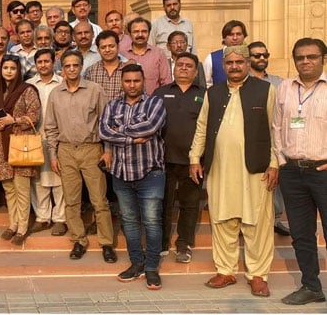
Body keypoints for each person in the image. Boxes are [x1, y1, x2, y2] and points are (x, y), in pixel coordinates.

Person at [189, 44, 277, 297]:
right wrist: (195, 157)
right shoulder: (213, 92)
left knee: (256, 222)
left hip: (256, 168)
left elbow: (275, 130)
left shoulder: (265, 90)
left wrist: (274, 163)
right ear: (224, 66)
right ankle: (226, 270)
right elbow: (202, 126)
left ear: (248, 63)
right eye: (230, 63)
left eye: (240, 62)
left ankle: (258, 275)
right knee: (222, 219)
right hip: (220, 167)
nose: (235, 66)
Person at [44, 50, 116, 263]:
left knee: (99, 200)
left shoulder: (95, 90)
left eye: (76, 65)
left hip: (91, 149)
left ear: (81, 66)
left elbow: (106, 122)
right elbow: (50, 127)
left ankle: (106, 243)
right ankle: (78, 239)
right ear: (62, 68)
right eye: (68, 66)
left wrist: (108, 150)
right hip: (66, 151)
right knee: (72, 200)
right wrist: (53, 155)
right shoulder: (56, 94)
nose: (72, 69)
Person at [100, 63, 167, 290]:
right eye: (127, 81)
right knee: (128, 222)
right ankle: (136, 263)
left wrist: (120, 132)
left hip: (150, 172)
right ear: (122, 82)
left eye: (136, 81)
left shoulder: (155, 103)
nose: (132, 85)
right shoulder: (111, 105)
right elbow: (103, 131)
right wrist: (131, 138)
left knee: (151, 222)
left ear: (143, 81)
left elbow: (150, 126)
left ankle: (151, 268)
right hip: (121, 173)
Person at [273, 38, 327, 305]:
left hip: (324, 171)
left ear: (322, 59)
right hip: (293, 173)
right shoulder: (284, 87)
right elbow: (276, 126)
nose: (306, 61)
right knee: (302, 234)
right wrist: (282, 160)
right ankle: (311, 286)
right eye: (300, 57)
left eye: (312, 56)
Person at [152, 53, 205, 263]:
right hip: (162, 161)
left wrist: (202, 159)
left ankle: (184, 245)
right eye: (180, 64)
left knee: (189, 205)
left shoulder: (204, 95)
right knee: (162, 203)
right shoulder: (160, 93)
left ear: (195, 71)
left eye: (189, 66)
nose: (183, 68)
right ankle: (162, 243)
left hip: (193, 163)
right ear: (174, 68)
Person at [0, 55, 41, 245]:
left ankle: (22, 227)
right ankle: (12, 224)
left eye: (13, 68)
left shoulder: (27, 90)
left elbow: (34, 116)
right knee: (8, 188)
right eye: (6, 68)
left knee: (21, 187)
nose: (9, 71)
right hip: (1, 145)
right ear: (1, 70)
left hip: (21, 144)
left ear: (18, 71)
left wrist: (15, 120)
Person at [247, 41, 289, 236]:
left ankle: (276, 218)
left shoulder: (279, 82)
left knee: (275, 178)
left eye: (265, 55)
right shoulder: (243, 82)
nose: (262, 58)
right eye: (257, 55)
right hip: (250, 139)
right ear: (248, 59)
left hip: (275, 136)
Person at [26, 49, 67, 236]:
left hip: (59, 137)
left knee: (59, 179)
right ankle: (42, 217)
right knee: (38, 180)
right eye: (39, 62)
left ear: (53, 62)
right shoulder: (28, 85)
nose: (43, 65)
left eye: (47, 61)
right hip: (35, 137)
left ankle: (60, 218)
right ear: (35, 64)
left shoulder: (62, 83)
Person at [121, 17, 172, 95]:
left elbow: (166, 83)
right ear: (130, 34)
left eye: (144, 31)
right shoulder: (122, 54)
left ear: (149, 33)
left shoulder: (159, 54)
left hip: (153, 104)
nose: (140, 35)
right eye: (136, 32)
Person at [202, 20, 247, 87]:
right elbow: (206, 84)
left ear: (244, 36)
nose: (235, 38)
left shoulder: (251, 57)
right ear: (224, 38)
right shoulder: (211, 58)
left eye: (238, 34)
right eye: (231, 35)